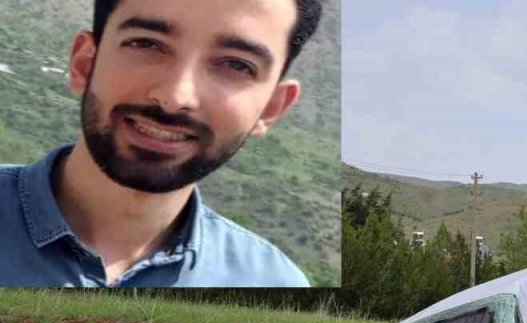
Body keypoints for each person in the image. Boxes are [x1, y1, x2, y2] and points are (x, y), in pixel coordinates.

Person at [0, 0, 322, 287]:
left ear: (270, 108)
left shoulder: (271, 283)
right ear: (84, 64)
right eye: (147, 43)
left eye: (237, 64)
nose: (175, 97)